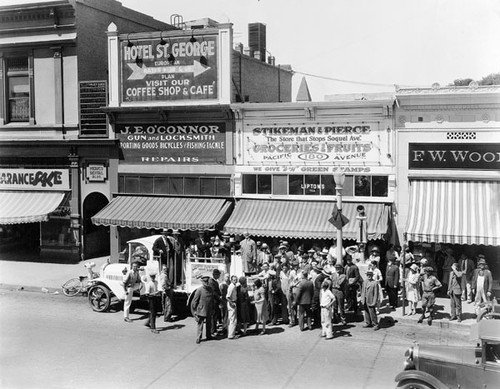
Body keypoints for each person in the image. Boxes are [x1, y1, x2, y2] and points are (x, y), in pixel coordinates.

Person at [191, 273, 215, 344]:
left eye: (207, 282)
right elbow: (194, 301)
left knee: (209, 323)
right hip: (201, 310)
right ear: (202, 282)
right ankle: (198, 337)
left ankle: (208, 335)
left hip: (209, 309)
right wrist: (195, 311)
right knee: (200, 324)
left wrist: (213, 308)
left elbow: (212, 300)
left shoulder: (211, 289)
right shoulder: (199, 290)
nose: (206, 283)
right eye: (205, 282)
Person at [208, 269, 222, 336]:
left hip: (216, 301)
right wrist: (219, 298)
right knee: (213, 316)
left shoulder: (215, 281)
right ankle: (212, 331)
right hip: (213, 301)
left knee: (215, 316)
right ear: (215, 275)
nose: (219, 276)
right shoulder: (211, 282)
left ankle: (214, 329)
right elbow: (214, 293)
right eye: (218, 274)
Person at [226, 275, 238, 339]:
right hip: (232, 303)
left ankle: (231, 333)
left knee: (232, 319)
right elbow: (227, 297)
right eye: (234, 280)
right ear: (231, 280)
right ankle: (231, 335)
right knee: (232, 319)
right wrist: (232, 303)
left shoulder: (234, 286)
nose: (235, 281)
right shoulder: (231, 287)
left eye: (236, 279)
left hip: (233, 302)